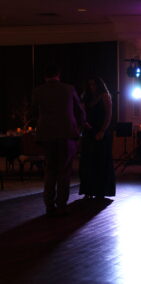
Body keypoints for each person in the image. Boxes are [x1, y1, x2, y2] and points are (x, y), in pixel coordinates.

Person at [32, 64, 86, 216]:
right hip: (66, 135)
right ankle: (61, 204)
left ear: (45, 76)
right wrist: (81, 126)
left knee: (50, 170)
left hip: (46, 136)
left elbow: (33, 112)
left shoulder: (38, 91)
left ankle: (49, 205)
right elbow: (80, 111)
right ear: (59, 75)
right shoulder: (69, 89)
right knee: (64, 171)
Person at [79, 77, 116, 199]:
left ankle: (101, 191)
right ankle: (88, 190)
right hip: (89, 131)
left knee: (101, 161)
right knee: (87, 161)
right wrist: (84, 123)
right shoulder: (86, 97)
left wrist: (102, 131)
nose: (92, 87)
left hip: (101, 131)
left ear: (99, 85)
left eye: (94, 84)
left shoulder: (105, 96)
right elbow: (82, 113)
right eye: (90, 84)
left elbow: (109, 115)